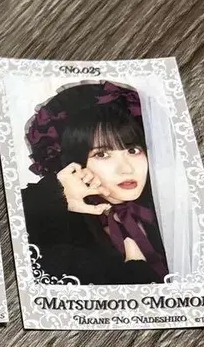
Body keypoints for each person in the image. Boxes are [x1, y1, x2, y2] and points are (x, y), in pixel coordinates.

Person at [21, 81, 169, 284]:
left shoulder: (169, 206)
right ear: (75, 163)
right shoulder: (57, 226)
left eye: (133, 150)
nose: (126, 169)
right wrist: (58, 193)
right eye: (102, 154)